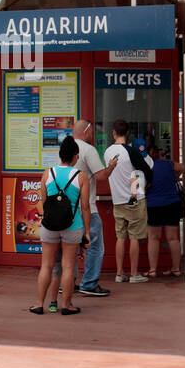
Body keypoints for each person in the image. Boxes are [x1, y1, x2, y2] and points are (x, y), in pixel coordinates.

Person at [29, 137, 90, 316]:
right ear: (75, 156)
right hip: (73, 226)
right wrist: (87, 231)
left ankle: (39, 304)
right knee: (68, 266)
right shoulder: (81, 176)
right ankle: (66, 305)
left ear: (60, 155)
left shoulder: (47, 173)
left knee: (46, 265)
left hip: (49, 225)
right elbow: (85, 206)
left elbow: (44, 200)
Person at [71, 118, 115, 296]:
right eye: (93, 130)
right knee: (95, 245)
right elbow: (101, 175)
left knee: (70, 246)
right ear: (87, 131)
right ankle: (89, 283)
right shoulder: (88, 149)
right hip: (86, 207)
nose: (94, 134)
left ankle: (66, 281)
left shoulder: (65, 147)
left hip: (69, 209)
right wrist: (111, 167)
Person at [104, 119, 148, 283]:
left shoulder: (107, 152)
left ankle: (119, 273)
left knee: (120, 237)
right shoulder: (131, 152)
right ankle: (134, 273)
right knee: (135, 237)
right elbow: (143, 173)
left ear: (113, 133)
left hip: (117, 200)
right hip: (134, 198)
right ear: (127, 133)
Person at [145, 144, 184, 278]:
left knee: (153, 238)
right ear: (158, 153)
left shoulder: (146, 166)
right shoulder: (168, 164)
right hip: (172, 203)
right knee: (173, 238)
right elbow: (182, 167)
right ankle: (176, 269)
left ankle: (152, 270)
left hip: (153, 204)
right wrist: (175, 177)